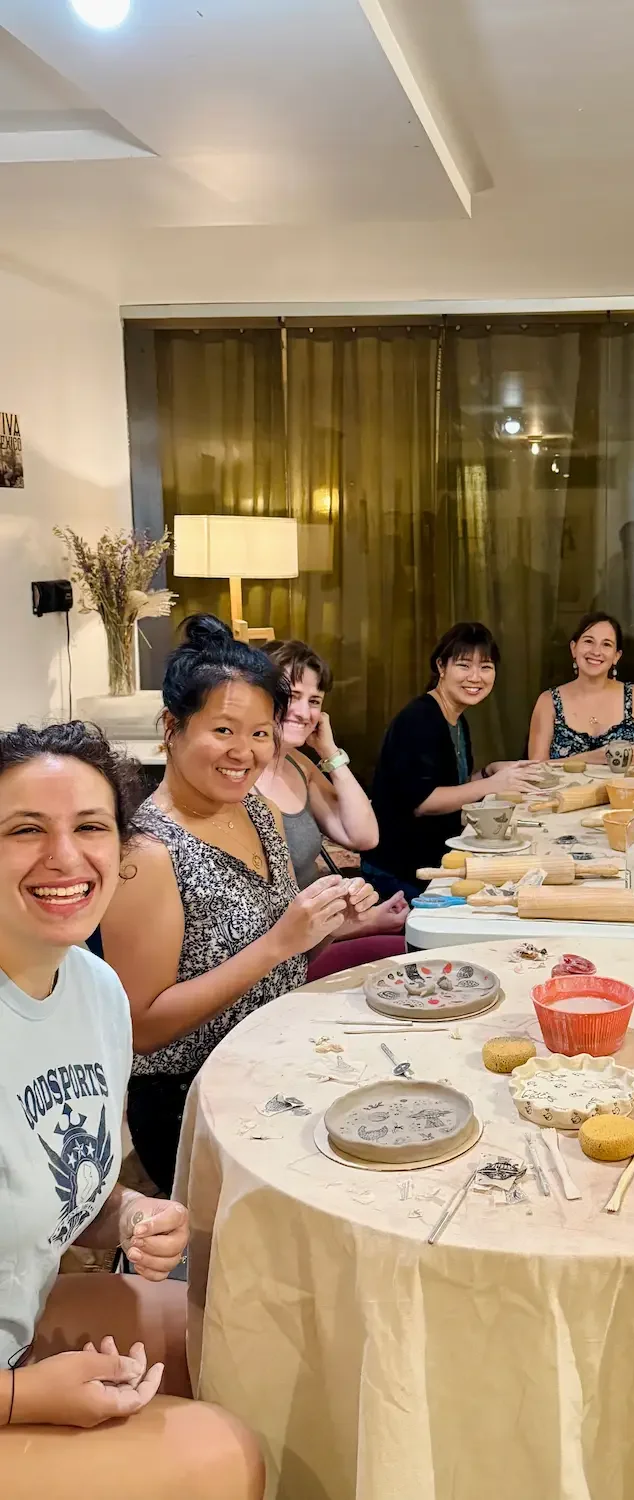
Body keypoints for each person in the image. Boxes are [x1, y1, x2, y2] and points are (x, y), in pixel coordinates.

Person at [0, 721, 262, 1499]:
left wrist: (129, 1216)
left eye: (90, 827)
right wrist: (21, 1398)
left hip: (23, 1308)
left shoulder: (95, 991)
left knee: (244, 1338)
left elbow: (65, 1185)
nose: (65, 858)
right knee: (227, 1452)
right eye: (24, 830)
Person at [100, 616, 379, 1195]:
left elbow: (281, 955)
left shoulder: (257, 809)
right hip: (194, 1097)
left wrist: (326, 926)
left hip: (277, 1063)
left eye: (259, 733)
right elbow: (142, 1029)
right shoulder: (146, 854)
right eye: (223, 730)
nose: (244, 752)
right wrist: (281, 940)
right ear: (171, 727)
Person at [259, 638, 408, 974]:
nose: (303, 711)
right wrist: (360, 925)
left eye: (314, 701)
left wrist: (329, 752)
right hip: (281, 961)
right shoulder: (239, 780)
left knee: (419, 950)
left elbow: (364, 836)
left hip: (319, 938)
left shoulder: (298, 764)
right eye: (291, 695)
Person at [363, 622, 542, 901]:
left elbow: (451, 788)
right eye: (464, 665)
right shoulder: (419, 719)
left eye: (485, 666)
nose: (476, 677)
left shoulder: (456, 719)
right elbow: (423, 803)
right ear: (441, 667)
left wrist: (487, 773)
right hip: (400, 872)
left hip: (434, 857)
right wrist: (493, 784)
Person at [527, 613, 634, 764]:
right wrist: (587, 759)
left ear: (616, 656)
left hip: (624, 788)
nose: (596, 652)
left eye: (606, 644)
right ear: (573, 648)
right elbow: (536, 768)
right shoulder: (548, 702)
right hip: (566, 789)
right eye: (589, 641)